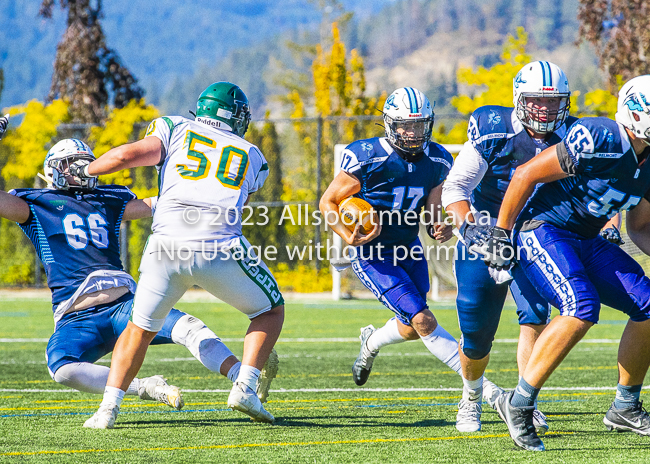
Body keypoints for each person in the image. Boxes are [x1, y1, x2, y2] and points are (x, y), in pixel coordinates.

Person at [0, 138, 277, 410]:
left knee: (190, 329)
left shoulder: (106, 199)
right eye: (73, 165)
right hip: (77, 315)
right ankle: (145, 386)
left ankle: (243, 379)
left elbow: (159, 204)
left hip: (125, 305)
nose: (82, 170)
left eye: (87, 164)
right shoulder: (36, 204)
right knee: (62, 369)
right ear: (54, 170)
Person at [78, 82, 284, 429]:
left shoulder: (173, 127)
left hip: (165, 246)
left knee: (139, 328)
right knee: (270, 310)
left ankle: (107, 410)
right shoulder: (252, 155)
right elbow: (239, 203)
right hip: (218, 244)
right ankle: (245, 387)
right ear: (235, 117)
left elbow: (127, 156)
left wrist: (87, 172)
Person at [485, 75, 650, 451]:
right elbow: (526, 174)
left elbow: (640, 227)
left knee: (648, 305)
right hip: (544, 229)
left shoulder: (649, 161)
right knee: (581, 305)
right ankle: (519, 402)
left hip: (586, 239)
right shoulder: (600, 137)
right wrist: (500, 231)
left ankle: (625, 406)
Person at [320, 87, 502, 412]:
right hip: (372, 252)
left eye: (418, 125)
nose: (412, 132)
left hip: (409, 247)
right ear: (390, 124)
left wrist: (442, 223)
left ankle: (371, 342)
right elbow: (328, 201)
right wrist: (346, 234)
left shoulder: (437, 158)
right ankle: (489, 394)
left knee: (411, 326)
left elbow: (435, 209)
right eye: (405, 125)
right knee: (423, 320)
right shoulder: (367, 156)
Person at [440, 61, 579, 433]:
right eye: (537, 100)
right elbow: (455, 190)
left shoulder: (572, 135)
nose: (546, 110)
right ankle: (471, 397)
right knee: (477, 332)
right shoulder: (493, 130)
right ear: (518, 98)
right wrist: (471, 232)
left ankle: (524, 401)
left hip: (536, 234)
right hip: (484, 232)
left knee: (535, 314)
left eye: (554, 102)